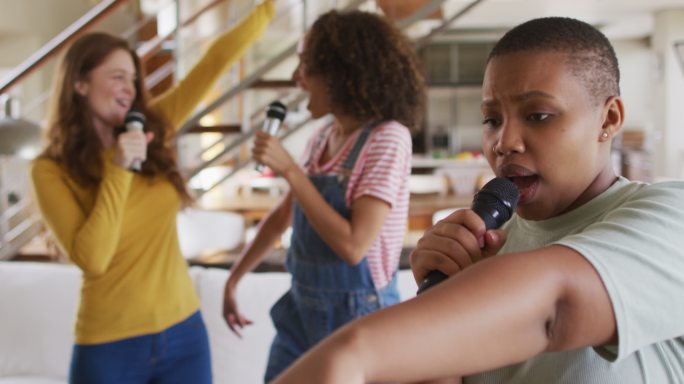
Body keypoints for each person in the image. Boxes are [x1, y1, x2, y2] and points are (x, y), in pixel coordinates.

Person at [270, 16, 684, 384]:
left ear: (608, 119)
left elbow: (558, 305)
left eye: (538, 115)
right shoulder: (482, 243)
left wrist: (352, 356)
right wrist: (439, 297)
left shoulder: (669, 217)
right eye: (491, 120)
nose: (505, 142)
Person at [29, 2, 274, 383]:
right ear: (79, 84)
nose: (129, 88)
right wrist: (118, 167)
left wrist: (268, 7)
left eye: (132, 78)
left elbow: (215, 60)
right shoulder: (50, 169)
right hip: (109, 346)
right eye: (116, 77)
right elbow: (93, 258)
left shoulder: (154, 128)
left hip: (184, 333)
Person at [221, 9, 426, 382]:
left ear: (340, 72)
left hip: (361, 316)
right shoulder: (321, 138)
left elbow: (353, 246)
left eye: (305, 66)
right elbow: (283, 217)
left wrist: (290, 171)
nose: (297, 80)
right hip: (301, 311)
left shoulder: (388, 138)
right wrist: (235, 277)